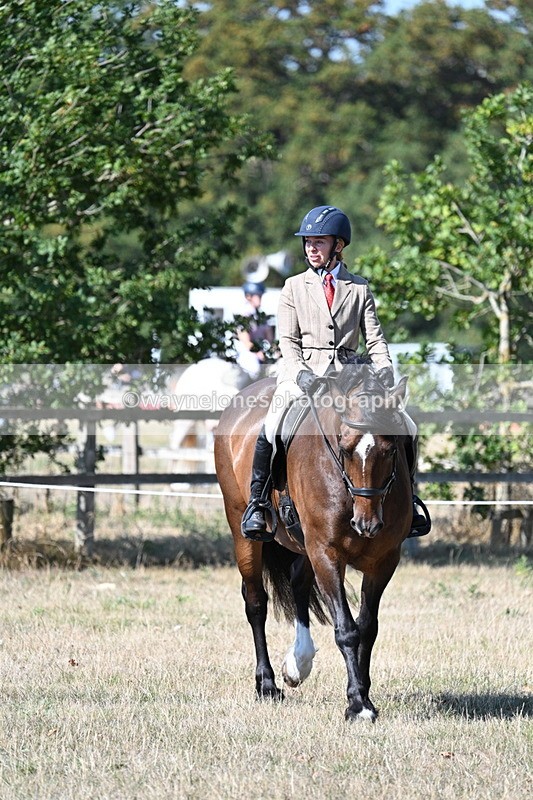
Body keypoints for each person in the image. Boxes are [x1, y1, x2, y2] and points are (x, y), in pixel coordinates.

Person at [241, 205, 431, 541]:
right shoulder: (293, 287)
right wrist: (300, 374)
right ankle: (258, 504)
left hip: (351, 376)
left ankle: (411, 500)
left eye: (319, 241)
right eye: (308, 242)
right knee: (272, 426)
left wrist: (385, 370)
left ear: (338, 246)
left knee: (407, 425)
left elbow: (375, 338)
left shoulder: (359, 288)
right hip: (302, 373)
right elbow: (287, 340)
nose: (311, 248)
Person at [234, 281, 275, 380]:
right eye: (258, 296)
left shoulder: (261, 316)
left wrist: (273, 350)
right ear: (249, 297)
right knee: (255, 368)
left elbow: (269, 337)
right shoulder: (244, 315)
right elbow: (246, 341)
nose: (260, 299)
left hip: (260, 353)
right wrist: (258, 353)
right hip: (247, 355)